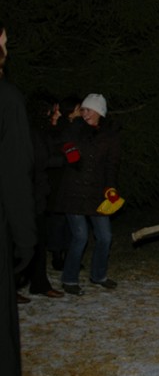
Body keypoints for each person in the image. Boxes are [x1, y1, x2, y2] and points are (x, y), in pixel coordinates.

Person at [55, 93, 122, 295]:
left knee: (105, 237)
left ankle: (98, 275)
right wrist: (68, 149)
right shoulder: (74, 129)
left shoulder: (110, 136)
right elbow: (60, 140)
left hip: (96, 192)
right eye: (83, 109)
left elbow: (112, 165)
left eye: (88, 110)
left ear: (99, 112)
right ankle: (69, 279)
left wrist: (110, 188)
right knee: (80, 236)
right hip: (73, 192)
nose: (84, 113)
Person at [0, 26, 36, 376]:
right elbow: (15, 171)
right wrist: (25, 239)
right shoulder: (7, 99)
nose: (7, 48)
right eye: (5, 42)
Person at [18, 94, 65, 299]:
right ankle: (12, 286)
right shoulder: (31, 131)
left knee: (39, 241)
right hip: (27, 194)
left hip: (38, 194)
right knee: (24, 242)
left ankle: (38, 283)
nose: (58, 113)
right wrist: (66, 159)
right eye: (55, 110)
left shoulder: (41, 131)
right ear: (45, 111)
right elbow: (39, 160)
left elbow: (51, 144)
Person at [46, 95, 82, 271]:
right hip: (58, 178)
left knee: (70, 218)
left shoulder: (78, 127)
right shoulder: (61, 129)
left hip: (70, 177)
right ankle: (57, 255)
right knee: (58, 219)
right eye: (78, 107)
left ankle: (69, 254)